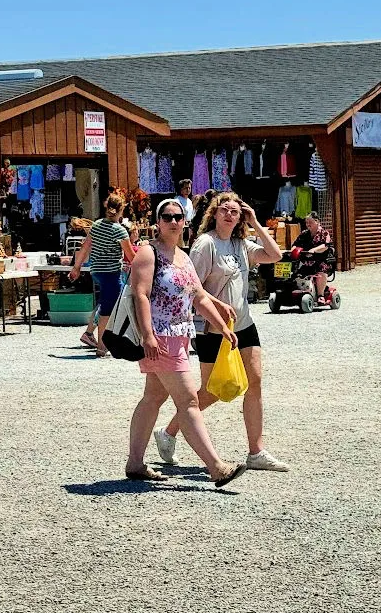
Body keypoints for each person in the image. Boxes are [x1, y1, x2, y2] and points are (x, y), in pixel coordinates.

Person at [155, 192, 291, 473]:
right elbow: (191, 286)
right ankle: (168, 432)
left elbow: (275, 255)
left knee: (254, 381)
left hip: (243, 324)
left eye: (235, 211)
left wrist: (255, 222)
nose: (229, 214)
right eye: (224, 210)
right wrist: (217, 307)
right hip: (213, 328)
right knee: (212, 390)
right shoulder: (206, 244)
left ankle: (256, 451)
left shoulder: (242, 244)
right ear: (214, 214)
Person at [124, 199, 248, 487]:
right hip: (161, 338)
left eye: (178, 217)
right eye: (167, 216)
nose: (173, 221)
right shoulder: (148, 252)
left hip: (179, 336)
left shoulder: (183, 256)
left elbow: (199, 296)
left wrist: (222, 327)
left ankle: (135, 463)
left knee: (153, 397)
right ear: (158, 222)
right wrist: (148, 335)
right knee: (189, 400)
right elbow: (140, 294)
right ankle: (216, 467)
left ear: (184, 221)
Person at [70, 192, 137, 355]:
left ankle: (106, 340)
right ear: (121, 210)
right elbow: (131, 256)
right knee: (108, 309)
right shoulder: (119, 231)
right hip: (111, 273)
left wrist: (76, 268)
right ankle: (101, 346)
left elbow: (85, 247)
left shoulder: (97, 225)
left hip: (97, 271)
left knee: (108, 305)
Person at [291, 212, 335, 302]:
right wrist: (292, 250)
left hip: (322, 261)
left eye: (310, 222)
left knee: (321, 272)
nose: (308, 224)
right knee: (296, 273)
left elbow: (325, 246)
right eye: (306, 222)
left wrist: (314, 250)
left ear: (317, 221)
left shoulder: (324, 233)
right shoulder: (304, 234)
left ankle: (320, 295)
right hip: (307, 262)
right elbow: (296, 244)